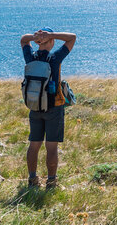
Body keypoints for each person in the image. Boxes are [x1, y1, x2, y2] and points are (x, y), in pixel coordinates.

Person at [20, 27, 76, 190]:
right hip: (54, 108)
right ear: (51, 42)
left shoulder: (30, 58)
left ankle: (32, 179)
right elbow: (72, 37)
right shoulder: (55, 58)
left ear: (38, 42)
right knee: (51, 147)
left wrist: (36, 37)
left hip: (34, 107)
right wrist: (50, 35)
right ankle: (51, 182)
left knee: (34, 145)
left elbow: (24, 39)